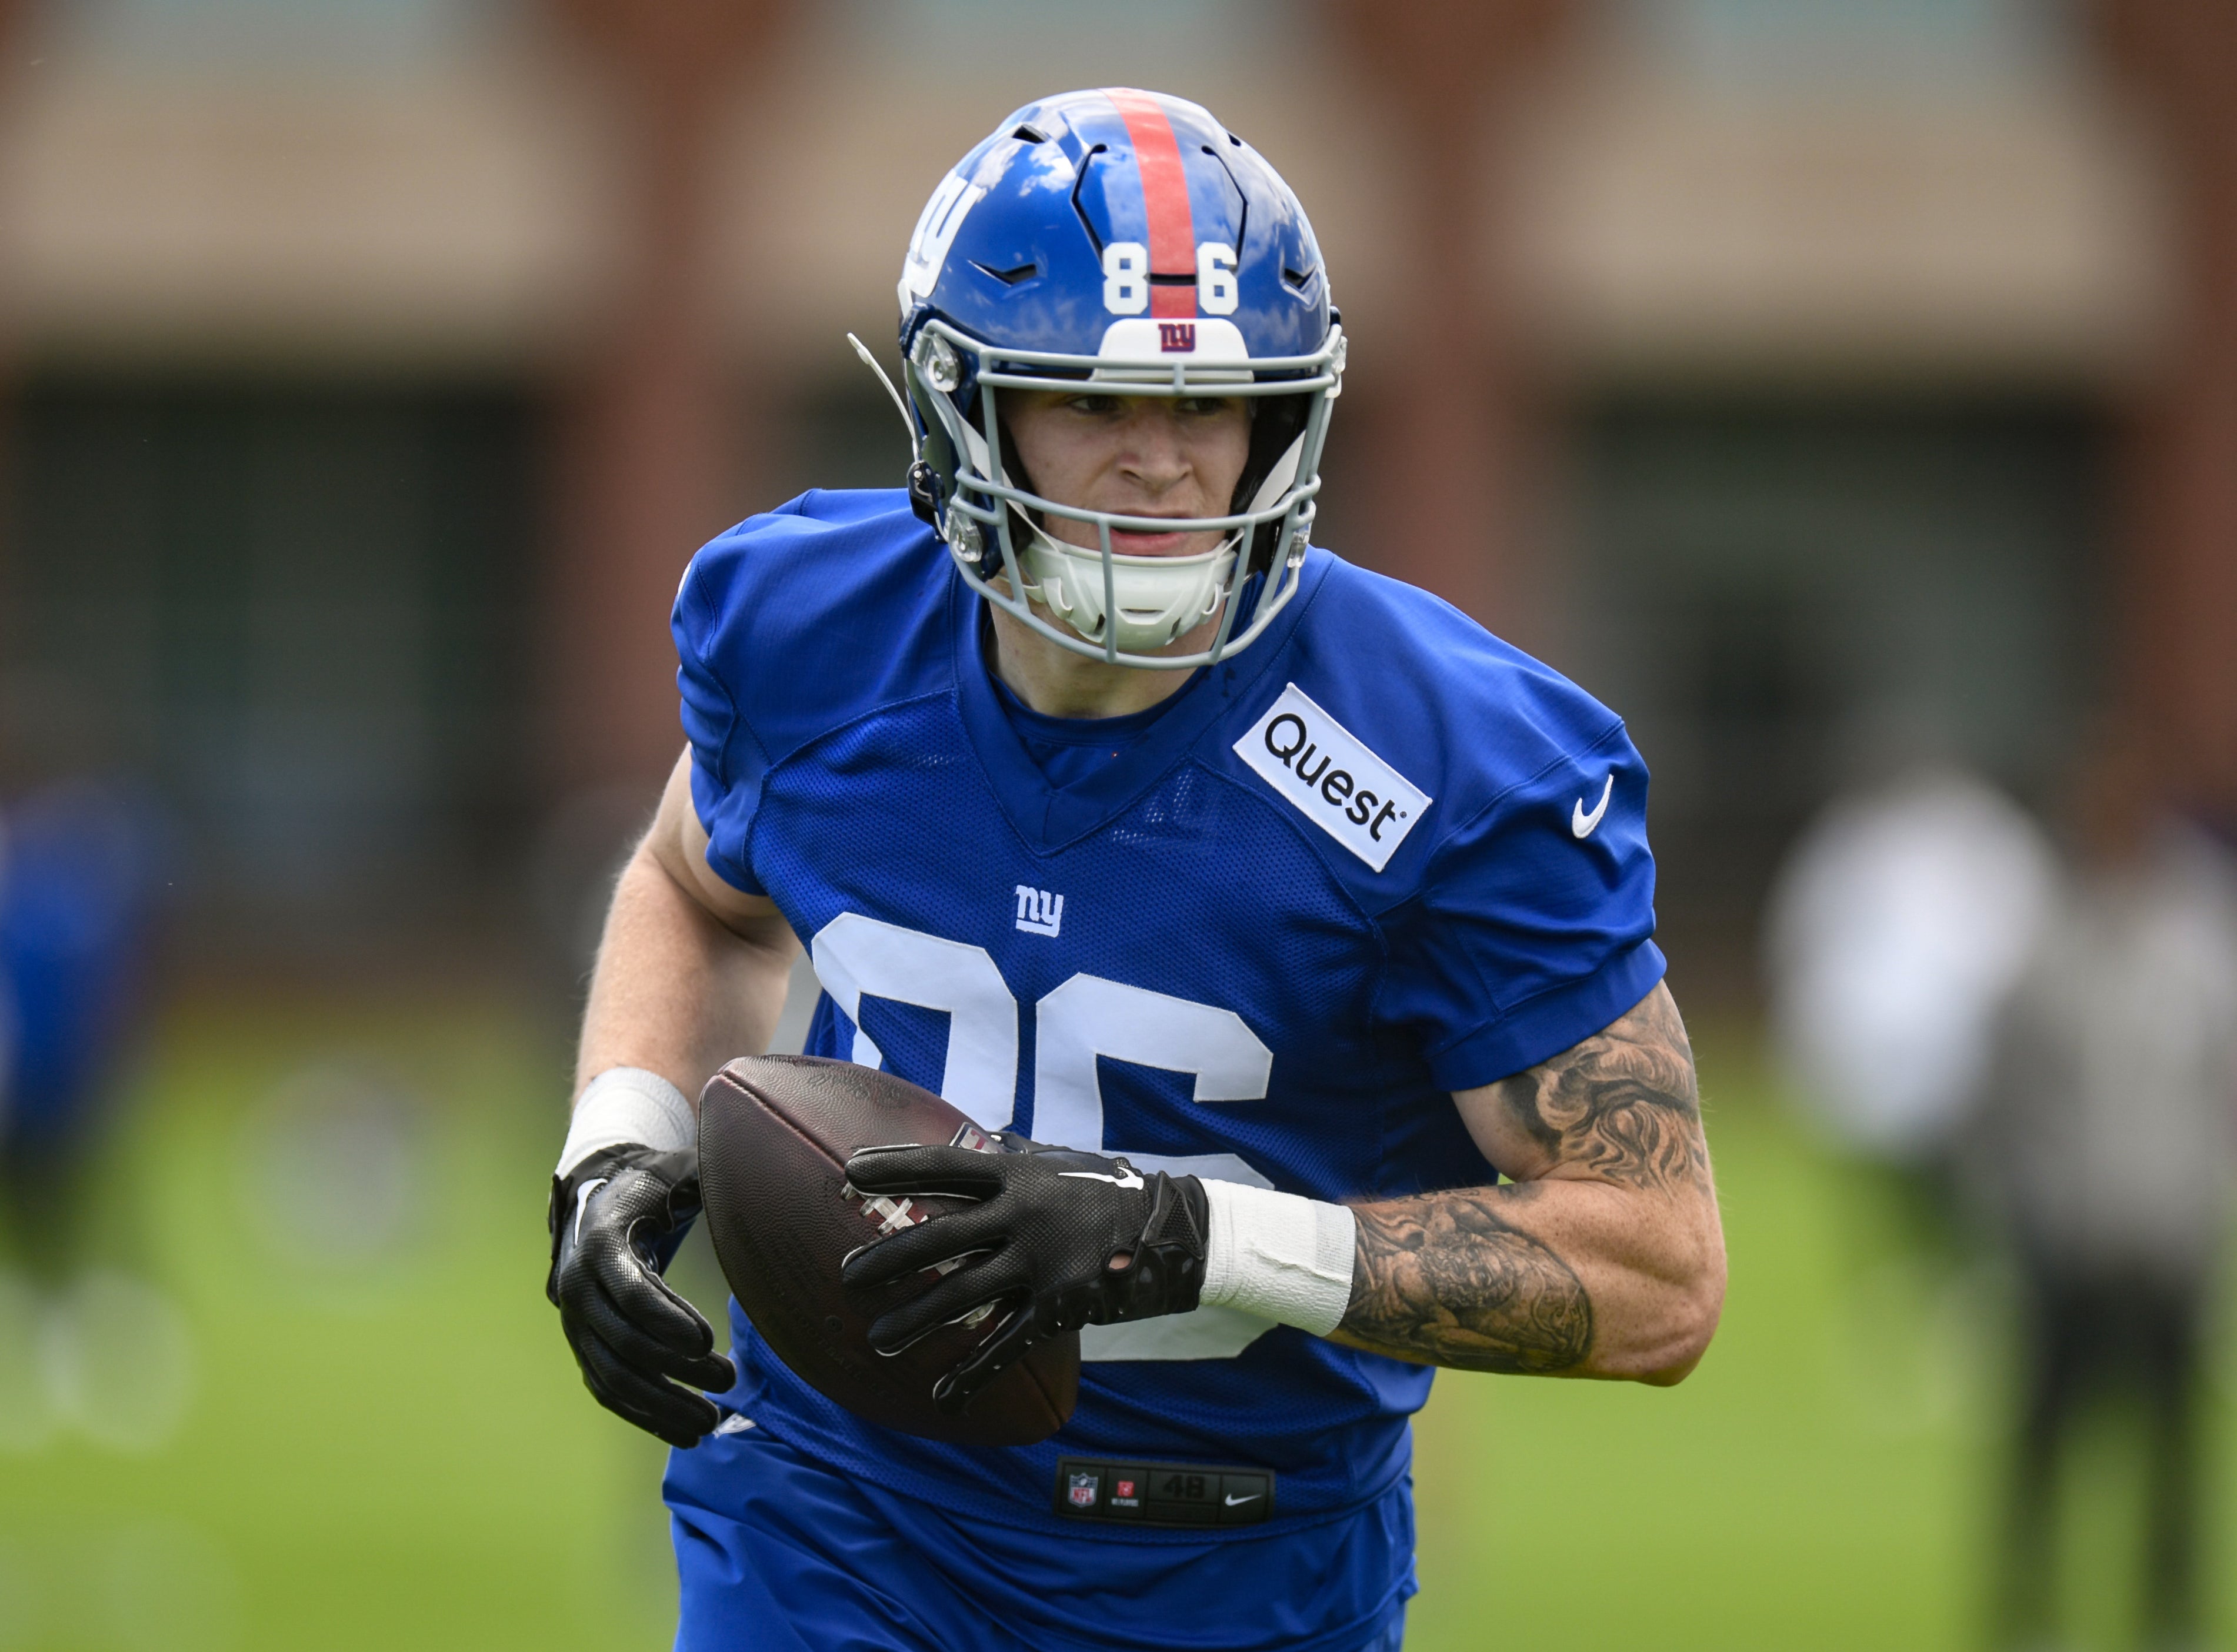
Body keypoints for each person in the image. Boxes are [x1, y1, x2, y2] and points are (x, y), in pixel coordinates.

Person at [545, 89, 1725, 1652]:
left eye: (1210, 407)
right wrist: (622, 1142)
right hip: (841, 1512)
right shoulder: (816, 631)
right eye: (1094, 402)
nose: (1162, 464)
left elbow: (1656, 1268)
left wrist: (1189, 1234)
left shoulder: (1444, 756)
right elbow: (696, 889)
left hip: (1244, 1560)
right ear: (962, 408)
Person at [1970, 741, 2237, 1652]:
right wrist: (2024, 1211)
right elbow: (1999, 1101)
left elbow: (2216, 1091)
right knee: (2043, 1437)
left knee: (2175, 1445)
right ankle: (2028, 1607)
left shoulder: (2196, 953)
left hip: (2168, 1234)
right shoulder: (2044, 953)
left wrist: (2204, 1201)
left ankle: (2170, 1613)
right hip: (2067, 1236)